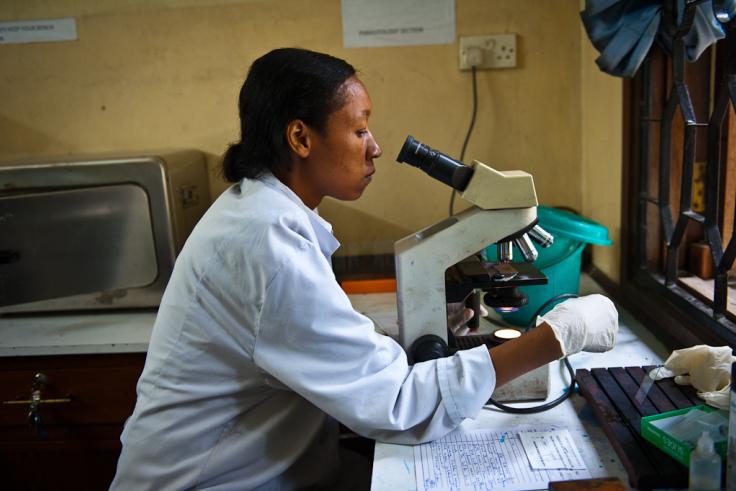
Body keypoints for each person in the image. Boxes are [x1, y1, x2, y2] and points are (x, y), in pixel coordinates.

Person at [110, 47, 618, 490]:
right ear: (300, 138)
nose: (374, 146)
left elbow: (313, 346)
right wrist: (559, 335)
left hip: (264, 469)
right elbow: (397, 406)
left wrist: (396, 340)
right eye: (358, 128)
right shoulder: (265, 243)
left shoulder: (258, 213)